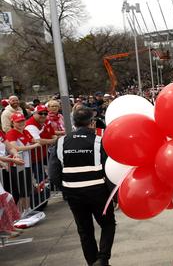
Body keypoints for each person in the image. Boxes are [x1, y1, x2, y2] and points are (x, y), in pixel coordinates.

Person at [49, 107, 115, 266]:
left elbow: (53, 173)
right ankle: (103, 258)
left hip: (74, 194)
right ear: (92, 123)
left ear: (74, 123)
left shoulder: (61, 142)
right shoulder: (99, 141)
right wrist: (114, 193)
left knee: (84, 231)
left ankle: (92, 262)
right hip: (98, 192)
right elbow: (109, 169)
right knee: (108, 224)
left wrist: (66, 188)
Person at [4, 112, 42, 214]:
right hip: (17, 165)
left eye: (22, 121)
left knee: (27, 188)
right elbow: (14, 147)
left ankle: (27, 209)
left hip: (27, 164)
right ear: (13, 122)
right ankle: (20, 213)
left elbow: (35, 140)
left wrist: (35, 143)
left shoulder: (26, 132)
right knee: (20, 190)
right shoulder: (11, 133)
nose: (21, 123)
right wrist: (33, 146)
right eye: (18, 122)